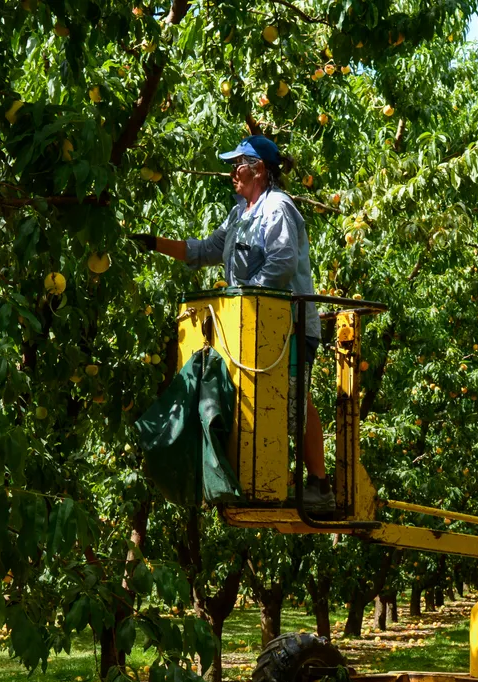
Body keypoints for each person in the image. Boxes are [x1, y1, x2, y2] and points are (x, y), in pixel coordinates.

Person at [130, 135, 335, 511]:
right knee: (255, 402)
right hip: (249, 328)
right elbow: (205, 250)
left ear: (258, 169)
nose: (231, 173)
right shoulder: (240, 213)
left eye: (237, 164)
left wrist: (247, 295)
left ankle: (319, 484)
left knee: (292, 401)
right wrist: (154, 243)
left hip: (285, 326)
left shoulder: (278, 208)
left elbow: (283, 261)